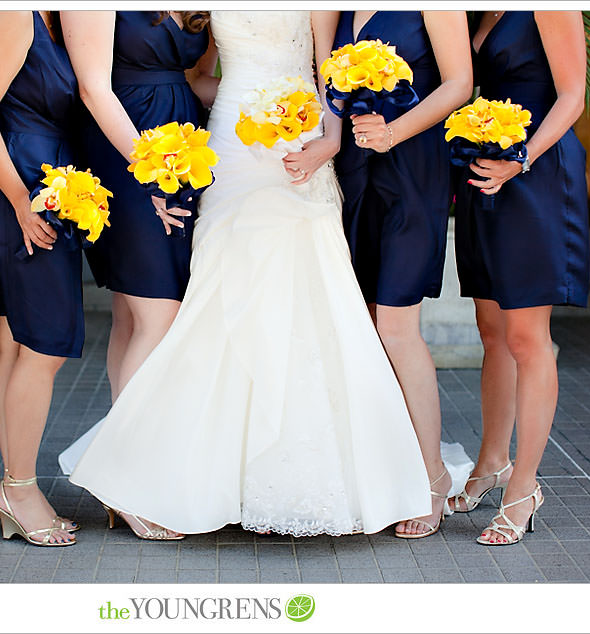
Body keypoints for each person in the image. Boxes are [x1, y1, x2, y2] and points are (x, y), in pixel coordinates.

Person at [63, 11, 447, 538]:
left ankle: (294, 474)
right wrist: (241, 102)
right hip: (229, 142)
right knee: (219, 291)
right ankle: (194, 472)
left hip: (303, 140)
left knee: (306, 289)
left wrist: (329, 138)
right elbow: (195, 73)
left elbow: (328, 69)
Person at [57, 11, 213, 540]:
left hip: (183, 142)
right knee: (157, 315)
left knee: (134, 314)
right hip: (124, 148)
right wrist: (151, 171)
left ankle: (122, 478)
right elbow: (93, 87)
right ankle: (129, 480)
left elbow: (198, 77)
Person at [449, 10, 588, 545]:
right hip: (489, 169)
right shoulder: (481, 10)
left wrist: (521, 158)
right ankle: (491, 463)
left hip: (535, 171)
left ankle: (524, 487)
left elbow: (572, 95)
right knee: (492, 332)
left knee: (528, 338)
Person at [332, 10, 473, 539]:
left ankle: (432, 476)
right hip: (351, 164)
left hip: (413, 164)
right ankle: (384, 472)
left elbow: (459, 82)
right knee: (363, 323)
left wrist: (393, 132)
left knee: (395, 324)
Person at [0, 10, 83, 547]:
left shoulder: (57, 22)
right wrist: (19, 200)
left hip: (42, 180)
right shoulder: (14, 15)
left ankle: (18, 486)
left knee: (16, 341)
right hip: (17, 189)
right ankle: (19, 485)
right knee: (43, 346)